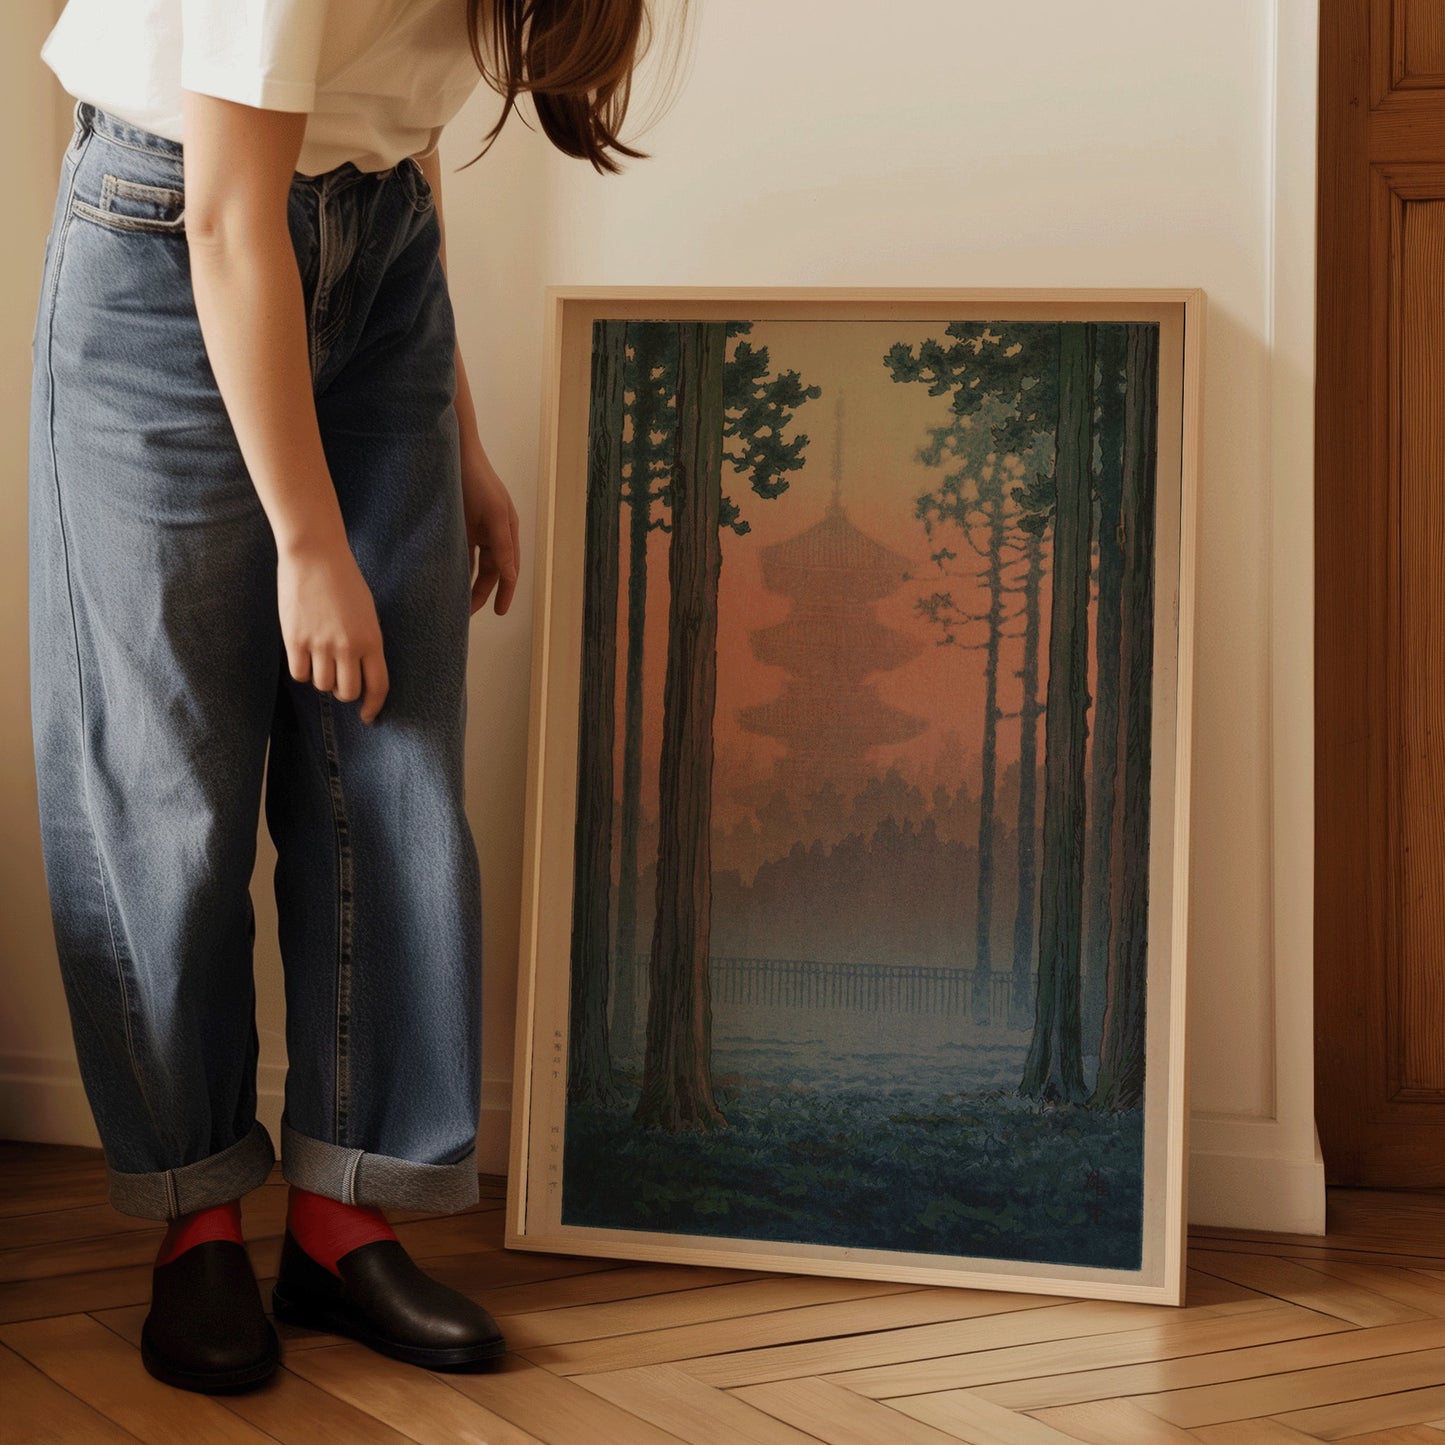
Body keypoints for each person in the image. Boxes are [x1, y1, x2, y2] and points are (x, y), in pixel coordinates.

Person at [29, 0, 686, 1396]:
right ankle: (197, 1216)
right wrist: (310, 543)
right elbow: (225, 217)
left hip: (378, 257)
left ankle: (339, 1215)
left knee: (389, 766)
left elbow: (392, 139)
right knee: (168, 784)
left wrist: (462, 439)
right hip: (168, 247)